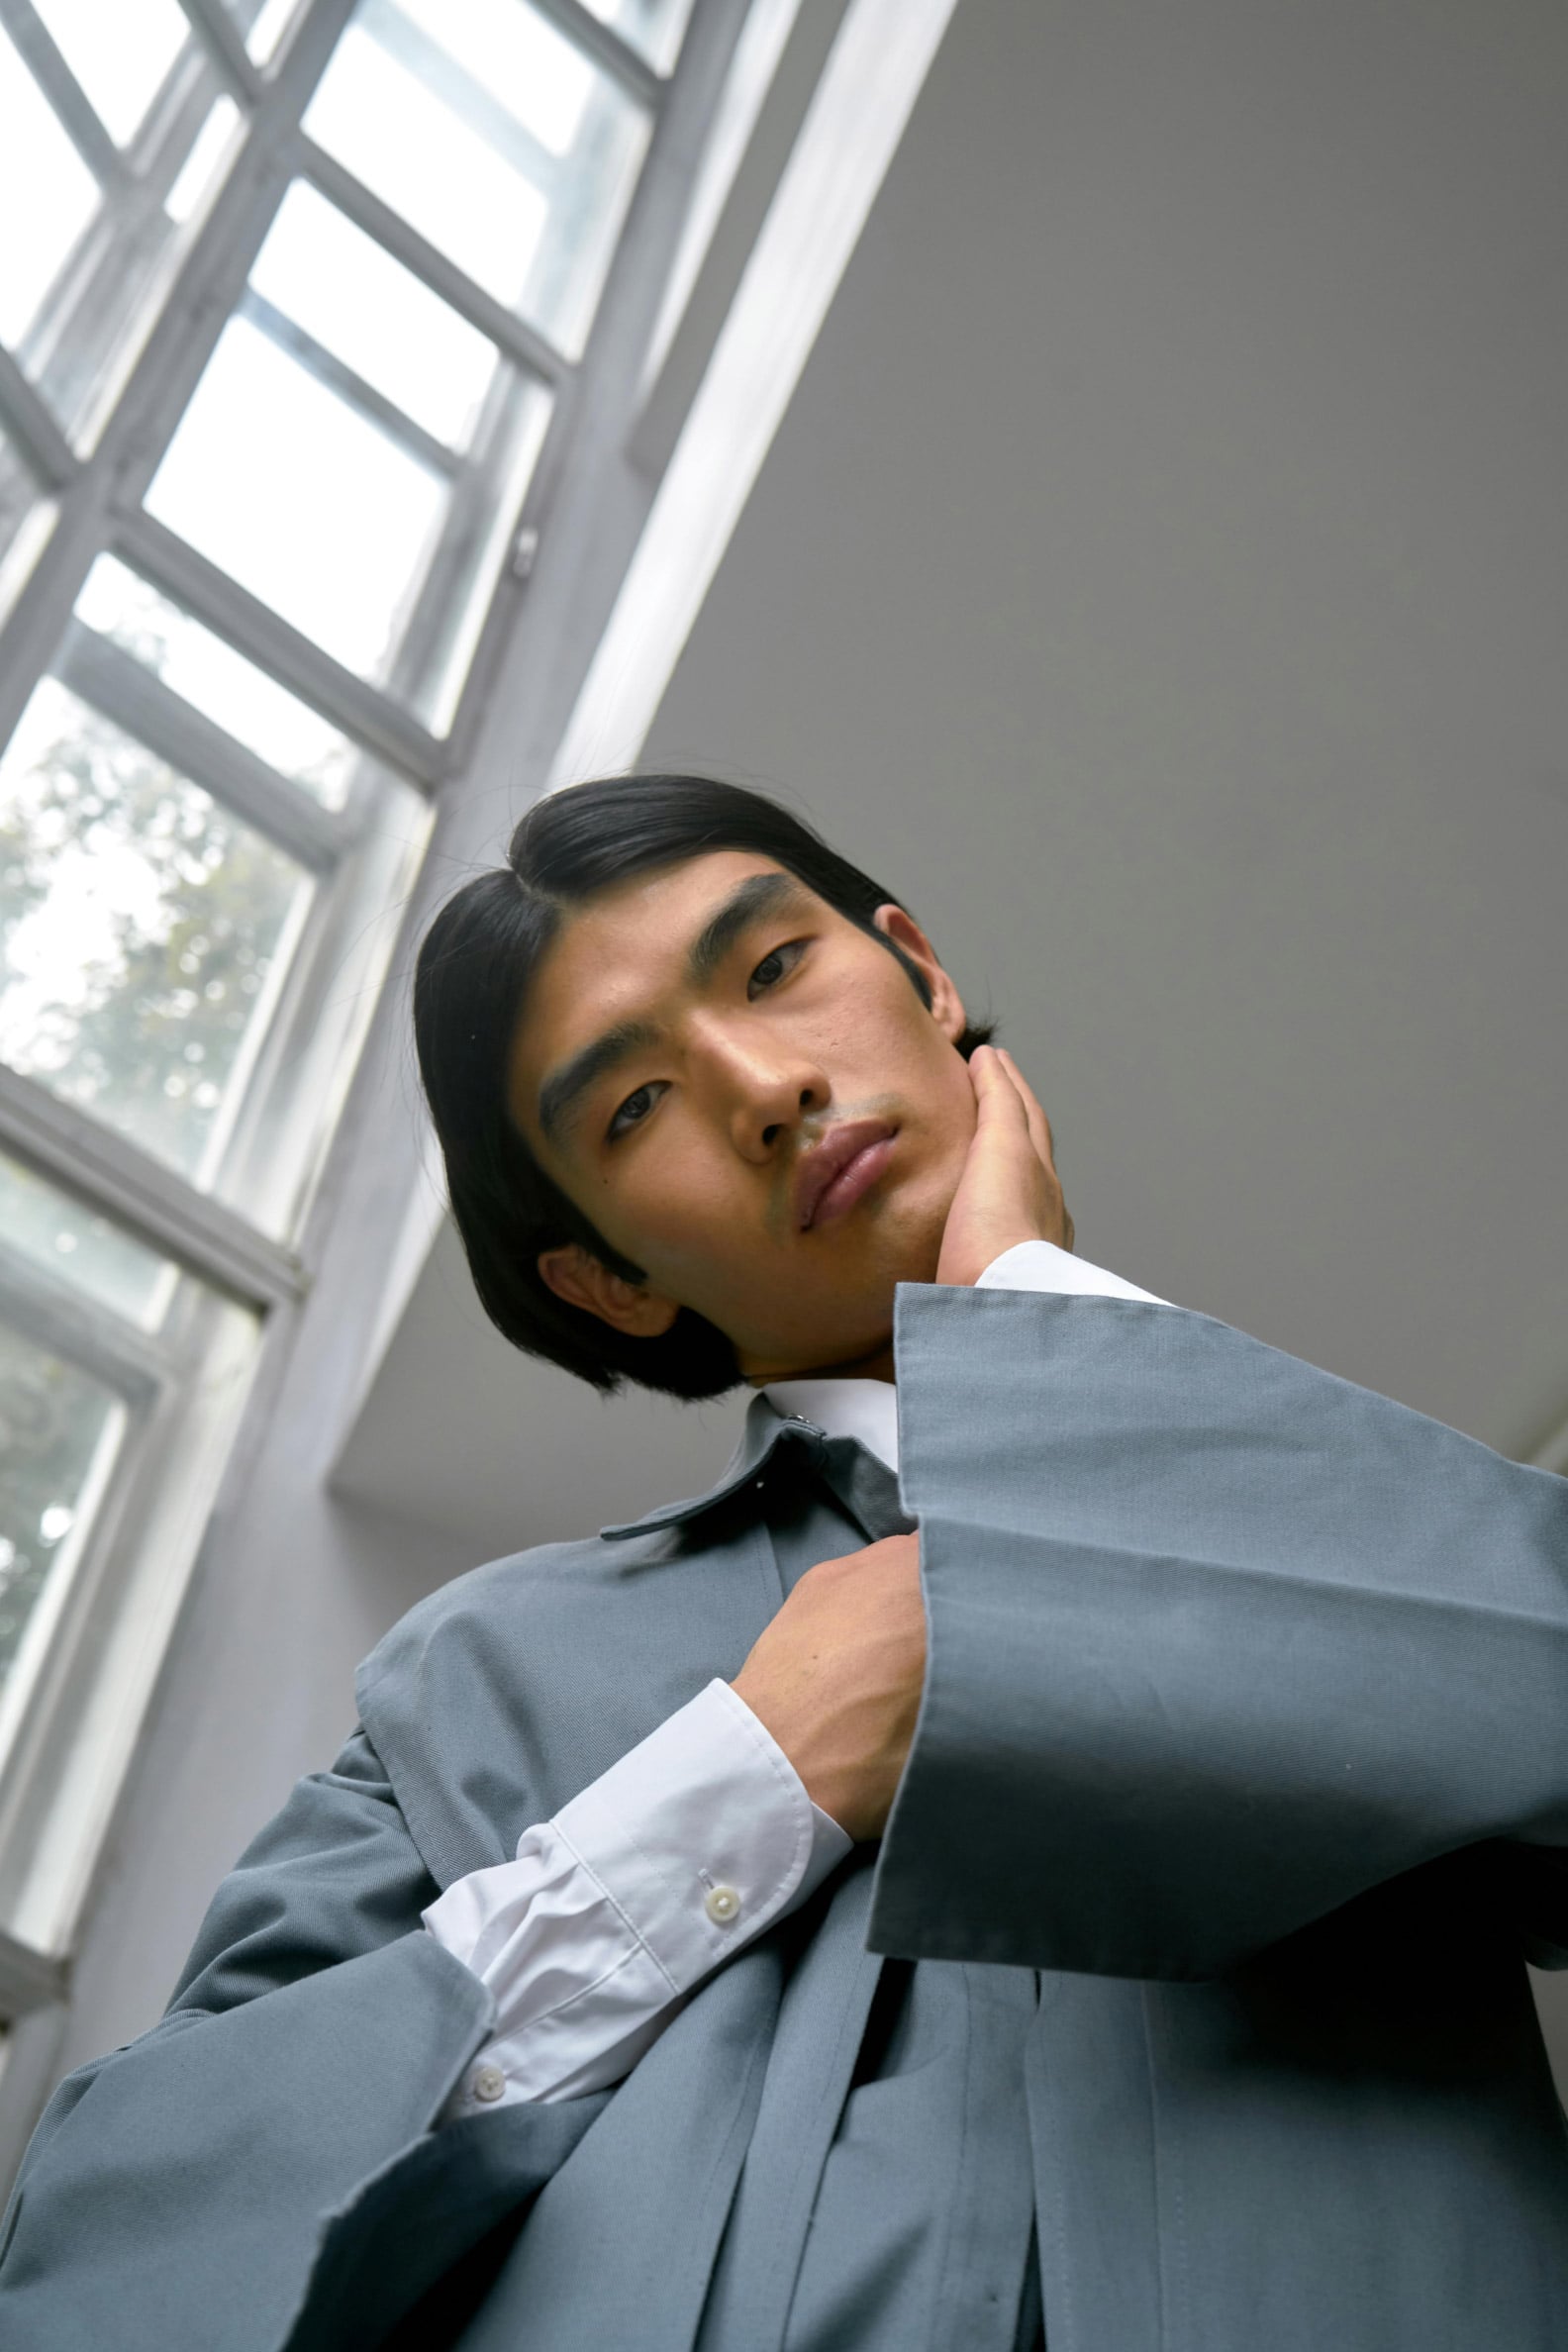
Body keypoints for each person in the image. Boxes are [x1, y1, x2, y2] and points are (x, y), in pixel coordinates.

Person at [2, 771, 1566, 2351]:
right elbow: (104, 2279)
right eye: (632, 1107)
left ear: (923, 971)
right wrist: (752, 1775)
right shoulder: (471, 1687)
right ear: (608, 1281)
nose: (765, 1086)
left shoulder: (1311, 1503)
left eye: (772, 968)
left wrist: (1038, 1325)